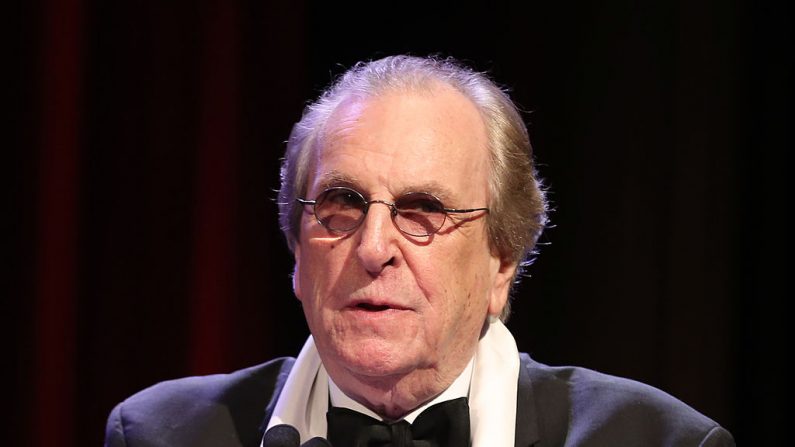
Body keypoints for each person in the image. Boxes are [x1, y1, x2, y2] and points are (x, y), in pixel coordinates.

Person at [104, 55, 734, 447]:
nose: (373, 247)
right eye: (341, 207)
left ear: (502, 263)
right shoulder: (162, 434)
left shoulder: (658, 440)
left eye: (422, 212)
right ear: (297, 255)